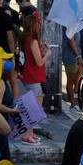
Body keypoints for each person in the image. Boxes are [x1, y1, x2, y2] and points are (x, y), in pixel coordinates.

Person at [19, 11, 49, 145]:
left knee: (32, 107)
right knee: (34, 109)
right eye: (38, 23)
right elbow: (39, 62)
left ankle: (29, 133)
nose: (39, 26)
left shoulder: (25, 39)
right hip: (34, 77)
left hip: (28, 75)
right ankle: (27, 134)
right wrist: (48, 53)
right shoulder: (33, 40)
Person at [60, 25, 83, 110]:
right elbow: (71, 41)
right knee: (71, 80)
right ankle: (73, 103)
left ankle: (75, 101)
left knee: (77, 81)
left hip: (77, 56)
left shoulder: (76, 25)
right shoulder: (69, 25)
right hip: (70, 57)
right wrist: (78, 56)